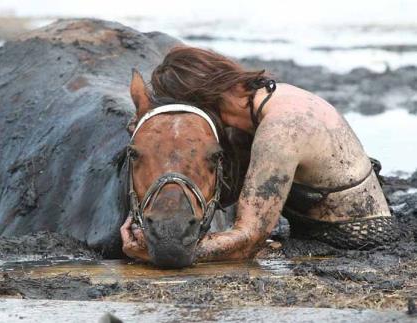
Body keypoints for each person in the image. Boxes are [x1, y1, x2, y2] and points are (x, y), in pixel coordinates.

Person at [122, 46, 396, 262]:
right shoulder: (263, 103)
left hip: (350, 241)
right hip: (322, 229)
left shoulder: (280, 131)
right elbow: (227, 194)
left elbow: (249, 239)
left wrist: (162, 251)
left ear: (201, 100)